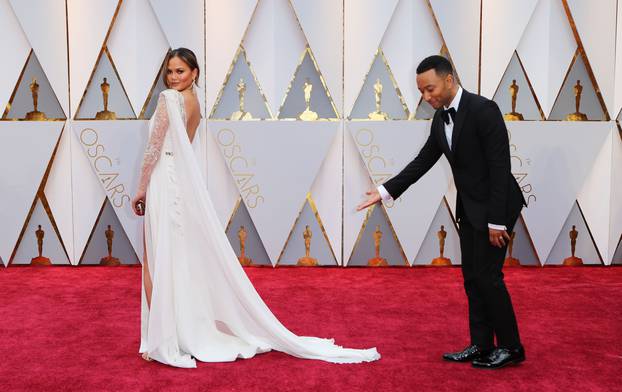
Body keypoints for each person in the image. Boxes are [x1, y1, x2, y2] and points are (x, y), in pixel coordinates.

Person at [132, 48, 379, 368]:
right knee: (175, 258)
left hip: (163, 182)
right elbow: (185, 147)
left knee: (156, 260)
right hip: (175, 181)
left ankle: (161, 339)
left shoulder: (169, 99)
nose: (173, 77)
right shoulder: (194, 104)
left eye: (180, 71)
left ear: (195, 72)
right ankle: (174, 333)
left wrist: (141, 187)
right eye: (170, 72)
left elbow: (154, 147)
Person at [357, 55, 525, 369]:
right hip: (470, 207)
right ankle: (481, 345)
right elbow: (423, 162)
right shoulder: (440, 119)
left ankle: (512, 348)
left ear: (449, 80)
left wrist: (496, 221)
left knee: (489, 278)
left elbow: (500, 168)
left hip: (495, 207)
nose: (426, 97)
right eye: (421, 91)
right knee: (473, 278)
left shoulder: (483, 110)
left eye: (430, 89)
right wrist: (384, 191)